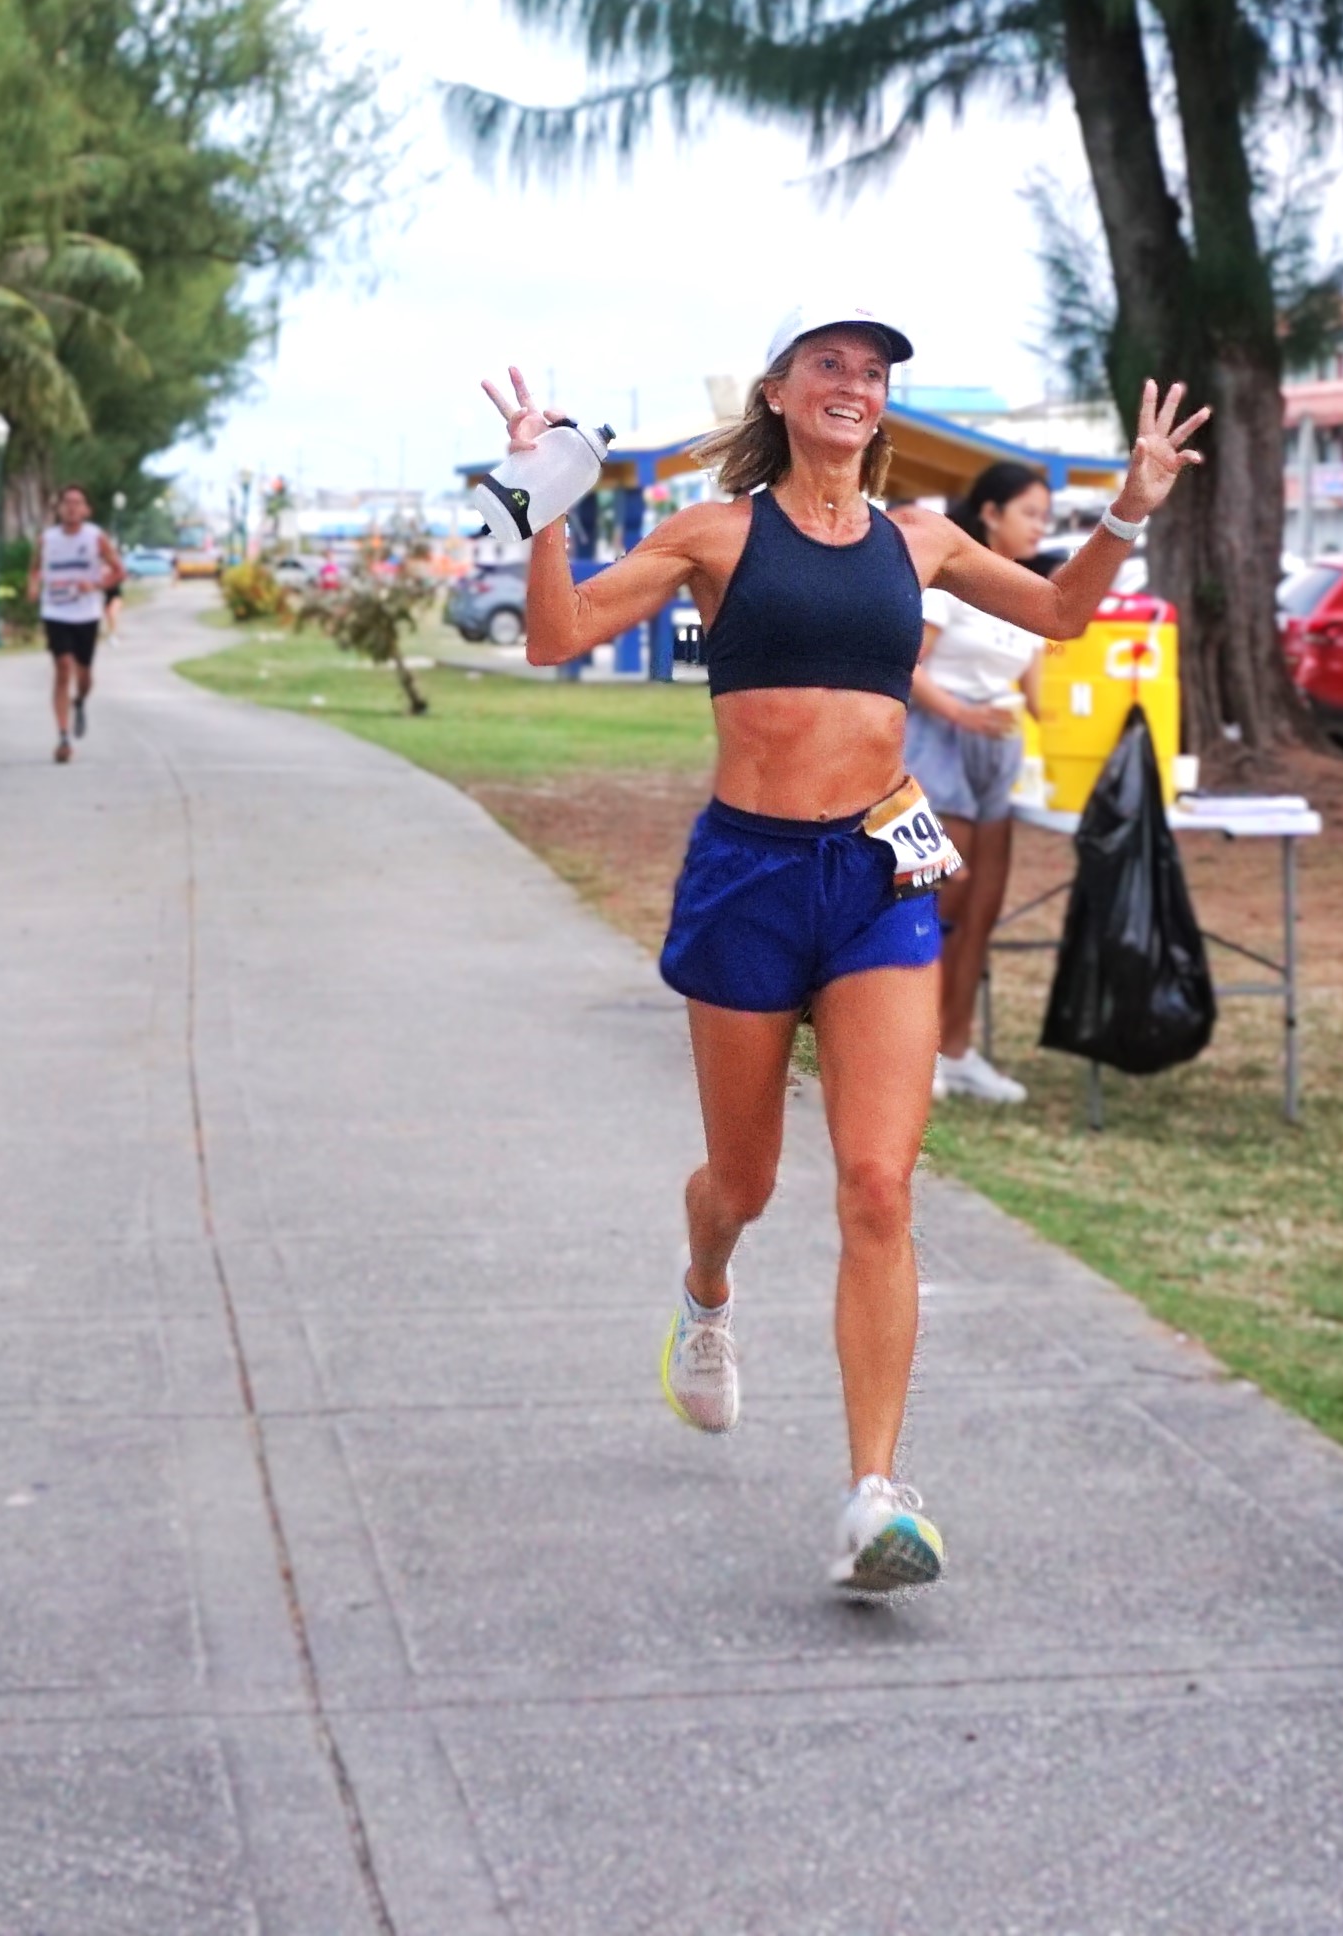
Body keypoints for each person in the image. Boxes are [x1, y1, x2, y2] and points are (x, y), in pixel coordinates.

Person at [482, 317, 1207, 1594]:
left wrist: (1128, 511)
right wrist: (543, 506)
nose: (854, 385)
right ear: (780, 389)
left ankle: (875, 1492)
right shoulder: (715, 532)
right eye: (829, 363)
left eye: (873, 372)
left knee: (879, 1184)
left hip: (878, 876)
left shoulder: (917, 536)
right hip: (750, 877)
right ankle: (705, 1284)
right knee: (746, 1182)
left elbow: (1059, 612)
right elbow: (554, 634)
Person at [905, 462, 1057, 1106]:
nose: (1039, 527)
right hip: (941, 741)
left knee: (984, 912)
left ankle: (959, 1052)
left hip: (1000, 752)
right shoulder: (950, 582)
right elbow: (905, 667)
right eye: (1029, 513)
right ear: (990, 513)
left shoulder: (1031, 595)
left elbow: (1038, 694)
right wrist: (962, 714)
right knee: (945, 906)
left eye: (1045, 517)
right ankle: (913, 1051)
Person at [27, 485, 125, 765]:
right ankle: (63, 737)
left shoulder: (95, 538)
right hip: (55, 611)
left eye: (77, 503)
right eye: (66, 502)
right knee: (63, 667)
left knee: (84, 675)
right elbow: (34, 569)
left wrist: (94, 584)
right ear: (58, 509)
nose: (71, 507)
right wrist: (33, 587)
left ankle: (80, 700)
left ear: (86, 510)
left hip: (86, 613)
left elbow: (119, 572)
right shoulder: (47, 539)